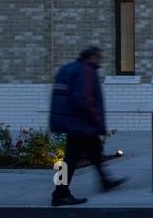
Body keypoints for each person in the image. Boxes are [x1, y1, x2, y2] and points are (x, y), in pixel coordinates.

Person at [49, 46, 126, 206]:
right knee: (69, 160)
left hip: (73, 120)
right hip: (80, 123)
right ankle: (60, 193)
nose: (101, 60)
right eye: (99, 57)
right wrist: (97, 119)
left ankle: (105, 181)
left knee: (95, 152)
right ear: (93, 57)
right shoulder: (86, 70)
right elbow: (83, 99)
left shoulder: (69, 68)